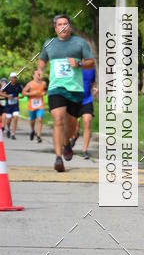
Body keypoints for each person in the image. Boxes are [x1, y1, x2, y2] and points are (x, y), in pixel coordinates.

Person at [37, 14, 95, 172]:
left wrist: (78, 63)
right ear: (55, 28)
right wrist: (40, 70)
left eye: (65, 24)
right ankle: (58, 158)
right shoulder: (49, 44)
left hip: (75, 90)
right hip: (56, 88)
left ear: (69, 26)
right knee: (58, 120)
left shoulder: (80, 43)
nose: (62, 26)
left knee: (70, 126)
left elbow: (91, 62)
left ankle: (66, 143)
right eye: (59, 24)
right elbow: (42, 59)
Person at [22, 69, 47, 143]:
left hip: (40, 105)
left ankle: (38, 136)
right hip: (31, 105)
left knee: (40, 119)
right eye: (37, 75)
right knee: (32, 120)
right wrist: (32, 94)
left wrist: (44, 93)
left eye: (40, 75)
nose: (39, 76)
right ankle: (32, 130)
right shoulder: (30, 84)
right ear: (33, 76)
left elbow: (45, 91)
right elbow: (23, 93)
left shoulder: (44, 83)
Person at [78, 65, 97, 159]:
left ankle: (84, 150)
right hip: (73, 99)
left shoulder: (91, 68)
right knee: (74, 127)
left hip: (87, 100)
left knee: (87, 121)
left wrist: (94, 88)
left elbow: (93, 82)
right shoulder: (73, 66)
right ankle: (73, 137)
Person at [3, 72, 23, 139]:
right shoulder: (6, 86)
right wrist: (7, 96)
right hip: (8, 106)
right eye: (13, 77)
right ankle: (8, 129)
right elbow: (0, 93)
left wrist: (18, 97)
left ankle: (13, 134)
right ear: (10, 78)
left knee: (16, 118)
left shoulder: (18, 85)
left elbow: (23, 94)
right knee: (8, 120)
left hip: (15, 106)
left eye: (15, 77)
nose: (14, 79)